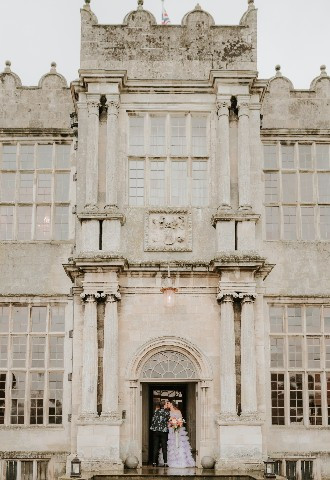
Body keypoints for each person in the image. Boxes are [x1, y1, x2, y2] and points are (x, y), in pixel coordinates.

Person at [166, 401, 195, 468]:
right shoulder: (168, 412)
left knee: (180, 444)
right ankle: (172, 460)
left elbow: (181, 420)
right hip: (171, 430)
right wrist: (170, 424)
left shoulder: (178, 411)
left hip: (178, 430)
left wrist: (177, 424)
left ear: (171, 404)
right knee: (172, 444)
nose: (167, 404)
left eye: (168, 403)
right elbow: (168, 422)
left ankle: (181, 460)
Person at [150, 400, 170, 467]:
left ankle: (154, 463)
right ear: (164, 405)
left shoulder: (155, 411)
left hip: (156, 431)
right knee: (164, 447)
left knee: (155, 446)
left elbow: (153, 420)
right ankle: (165, 463)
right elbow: (168, 421)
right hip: (163, 431)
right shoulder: (167, 412)